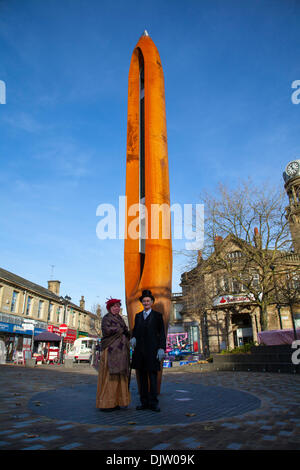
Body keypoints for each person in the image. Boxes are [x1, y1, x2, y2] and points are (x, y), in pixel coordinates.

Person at [130, 289, 166, 412]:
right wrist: (133, 337)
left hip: (152, 351)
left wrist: (161, 348)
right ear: (142, 302)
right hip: (140, 352)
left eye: (148, 301)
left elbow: (162, 333)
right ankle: (144, 402)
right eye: (144, 301)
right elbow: (135, 330)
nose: (146, 303)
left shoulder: (157, 316)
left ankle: (153, 403)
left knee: (153, 378)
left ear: (152, 302)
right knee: (143, 378)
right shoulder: (138, 316)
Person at [96, 298, 131, 411]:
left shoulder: (120, 318)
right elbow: (107, 330)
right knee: (109, 376)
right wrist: (122, 330)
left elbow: (126, 330)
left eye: (118, 306)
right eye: (114, 306)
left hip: (121, 352)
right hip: (111, 351)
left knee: (119, 377)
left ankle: (116, 401)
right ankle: (106, 403)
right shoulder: (106, 318)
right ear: (110, 308)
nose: (116, 308)